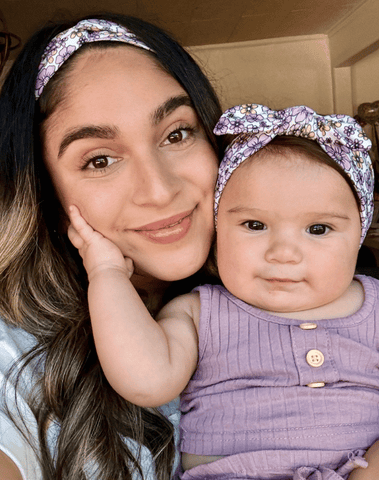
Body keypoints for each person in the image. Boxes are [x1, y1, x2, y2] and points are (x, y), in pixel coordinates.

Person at [68, 103, 379, 480]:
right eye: (254, 224)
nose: (283, 253)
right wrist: (107, 272)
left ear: (358, 236)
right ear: (217, 231)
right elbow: (146, 380)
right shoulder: (198, 312)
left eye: (318, 229)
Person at [0, 13, 225, 480]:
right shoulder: (14, 358)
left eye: (177, 134)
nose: (159, 190)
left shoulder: (307, 291)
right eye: (100, 160)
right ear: (49, 198)